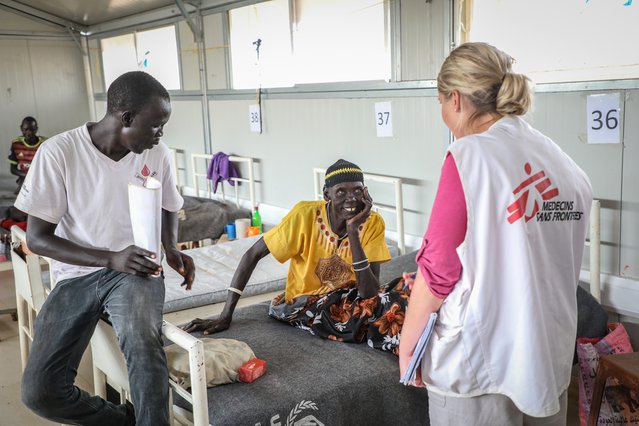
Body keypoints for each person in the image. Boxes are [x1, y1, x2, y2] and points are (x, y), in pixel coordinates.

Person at [398, 42, 593, 425]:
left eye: (440, 101)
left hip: (479, 365)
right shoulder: (562, 161)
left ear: (455, 99)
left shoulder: (469, 157)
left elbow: (439, 271)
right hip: (545, 353)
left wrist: (408, 348)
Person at [15, 71, 195, 426]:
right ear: (125, 117)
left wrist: (170, 246)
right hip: (76, 275)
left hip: (137, 271)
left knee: (143, 345)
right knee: (40, 392)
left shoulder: (158, 153)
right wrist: (110, 258)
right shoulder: (59, 153)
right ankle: (127, 420)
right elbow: (37, 239)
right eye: (156, 125)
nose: (161, 134)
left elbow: (169, 204)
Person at [184, 159, 409, 353]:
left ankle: (414, 337)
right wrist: (226, 313)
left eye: (357, 190)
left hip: (350, 298)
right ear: (326, 194)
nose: (351, 198)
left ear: (366, 192)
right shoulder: (304, 215)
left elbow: (370, 291)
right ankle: (408, 344)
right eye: (341, 191)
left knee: (407, 290)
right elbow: (252, 254)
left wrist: (353, 231)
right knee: (379, 315)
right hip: (305, 302)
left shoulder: (373, 222)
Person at [8, 116, 47, 195]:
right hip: (24, 177)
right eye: (26, 129)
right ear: (21, 128)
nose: (29, 133)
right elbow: (13, 169)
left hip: (41, 177)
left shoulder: (45, 144)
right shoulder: (16, 144)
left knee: (42, 194)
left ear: (36, 129)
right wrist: (27, 176)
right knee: (21, 195)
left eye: (32, 130)